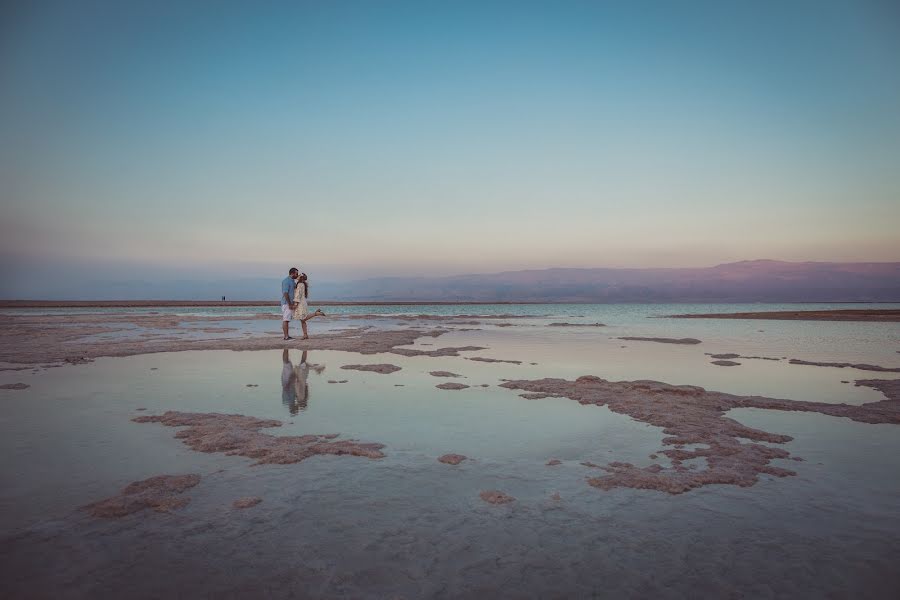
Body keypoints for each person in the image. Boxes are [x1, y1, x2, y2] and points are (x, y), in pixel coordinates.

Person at [292, 272, 326, 340]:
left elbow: (298, 295)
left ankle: (316, 313)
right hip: (302, 302)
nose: (297, 276)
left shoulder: (300, 284)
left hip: (300, 303)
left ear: (300, 278)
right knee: (302, 320)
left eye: (298, 276)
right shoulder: (302, 284)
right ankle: (305, 335)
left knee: (303, 318)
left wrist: (295, 304)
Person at [281, 267, 300, 340]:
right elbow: (285, 293)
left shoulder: (293, 281)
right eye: (296, 273)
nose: (297, 275)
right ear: (292, 273)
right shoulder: (286, 281)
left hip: (290, 303)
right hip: (286, 303)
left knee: (287, 319)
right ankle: (286, 337)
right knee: (286, 319)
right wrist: (290, 304)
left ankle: (287, 336)